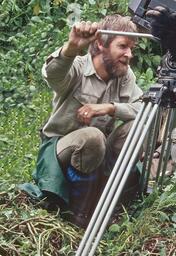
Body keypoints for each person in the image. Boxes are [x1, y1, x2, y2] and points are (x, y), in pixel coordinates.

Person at [21, 15, 144, 228]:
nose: (129, 55)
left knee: (137, 129)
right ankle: (77, 214)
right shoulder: (77, 66)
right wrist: (70, 48)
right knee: (93, 137)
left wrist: (110, 108)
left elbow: (143, 108)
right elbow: (52, 74)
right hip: (60, 148)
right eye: (123, 46)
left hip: (99, 154)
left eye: (131, 48)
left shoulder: (124, 74)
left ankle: (106, 202)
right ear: (100, 44)